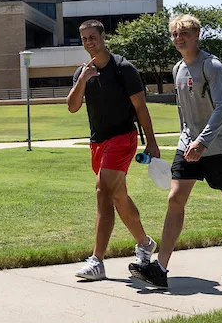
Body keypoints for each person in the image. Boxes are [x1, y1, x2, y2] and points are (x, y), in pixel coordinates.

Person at [131, 13, 222, 289]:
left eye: (184, 34)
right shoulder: (178, 69)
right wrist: (187, 140)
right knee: (175, 198)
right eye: (175, 34)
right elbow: (183, 111)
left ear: (196, 35)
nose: (178, 38)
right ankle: (160, 269)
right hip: (188, 145)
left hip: (218, 147)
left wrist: (202, 141)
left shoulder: (211, 66)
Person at [66, 19, 161, 281]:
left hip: (123, 138)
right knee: (118, 197)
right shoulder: (82, 72)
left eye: (93, 37)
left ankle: (97, 261)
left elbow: (141, 108)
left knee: (102, 191)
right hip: (98, 142)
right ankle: (144, 243)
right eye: (84, 38)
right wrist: (83, 80)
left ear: (103, 37)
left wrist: (151, 142)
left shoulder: (123, 69)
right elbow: (72, 106)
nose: (89, 42)